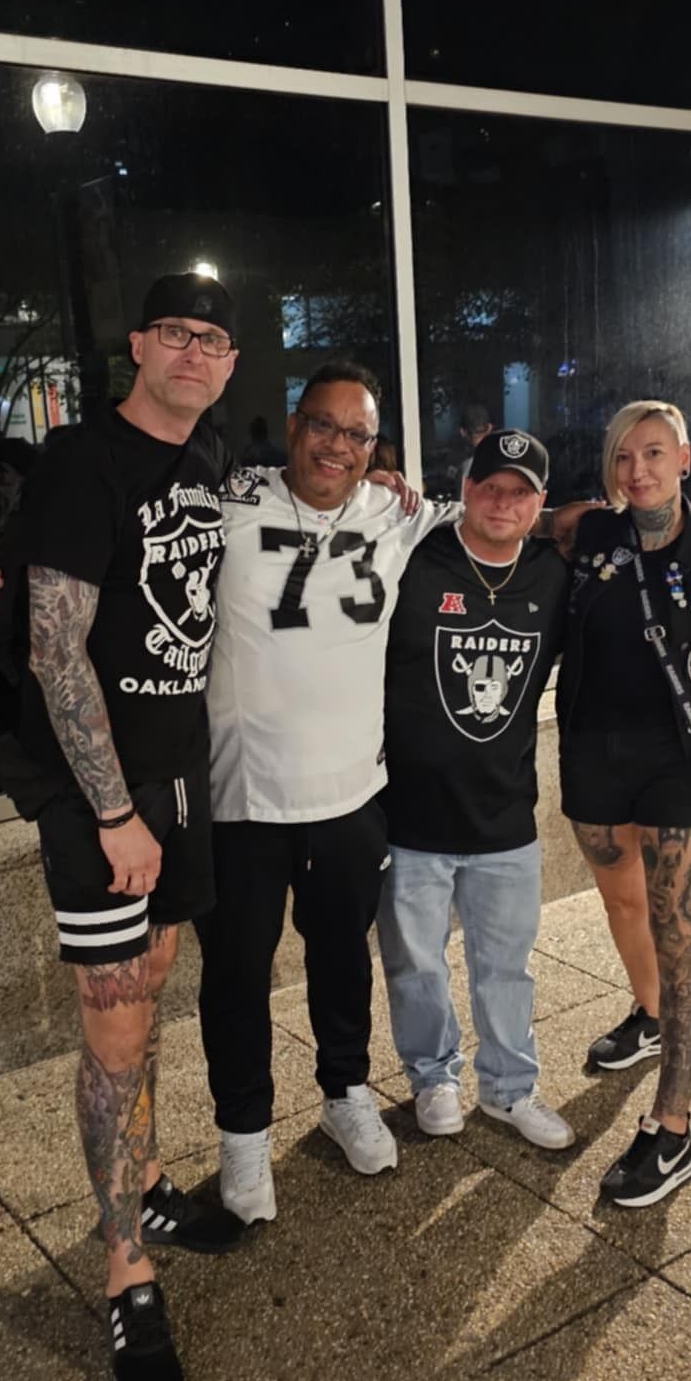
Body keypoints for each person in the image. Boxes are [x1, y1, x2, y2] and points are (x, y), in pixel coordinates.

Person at [0, 272, 247, 1381]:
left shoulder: (206, 456)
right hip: (103, 795)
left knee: (153, 985)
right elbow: (54, 650)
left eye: (213, 339)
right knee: (116, 1026)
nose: (193, 352)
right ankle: (125, 1270)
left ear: (229, 363)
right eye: (175, 333)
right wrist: (111, 813)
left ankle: (146, 1185)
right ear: (139, 345)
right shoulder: (82, 463)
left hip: (177, 772)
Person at [198, 363, 463, 1225]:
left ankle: (344, 1092)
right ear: (292, 424)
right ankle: (242, 1133)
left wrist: (592, 520)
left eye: (357, 435)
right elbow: (123, 536)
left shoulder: (392, 511)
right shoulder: (230, 502)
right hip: (242, 800)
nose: (336, 447)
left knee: (342, 957)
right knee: (236, 975)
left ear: (373, 448)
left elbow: (496, 516)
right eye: (322, 425)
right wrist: (0, 554)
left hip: (351, 794)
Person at [555, 400, 691, 1207]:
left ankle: (672, 1129)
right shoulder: (588, 534)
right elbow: (504, 518)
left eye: (653, 453)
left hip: (677, 763)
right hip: (590, 753)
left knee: (679, 935)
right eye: (623, 456)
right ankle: (649, 1015)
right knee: (622, 902)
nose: (637, 470)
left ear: (683, 459)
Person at [377, 429, 575, 1150]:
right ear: (464, 489)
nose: (502, 502)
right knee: (415, 965)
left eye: (520, 492)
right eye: (490, 486)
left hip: (504, 816)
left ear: (538, 504)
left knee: (506, 968)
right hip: (410, 813)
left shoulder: (554, 575)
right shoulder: (414, 557)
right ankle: (433, 1077)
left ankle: (509, 1088)